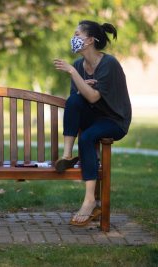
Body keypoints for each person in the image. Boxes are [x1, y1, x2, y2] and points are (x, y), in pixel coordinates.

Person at [53, 20, 131, 226]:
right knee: (74, 100)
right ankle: (67, 155)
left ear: (89, 40)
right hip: (93, 116)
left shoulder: (109, 64)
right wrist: (80, 83)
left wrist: (72, 73)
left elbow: (95, 97)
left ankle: (89, 201)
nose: (74, 38)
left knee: (87, 137)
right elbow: (76, 101)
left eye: (77, 34)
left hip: (114, 119)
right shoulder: (79, 65)